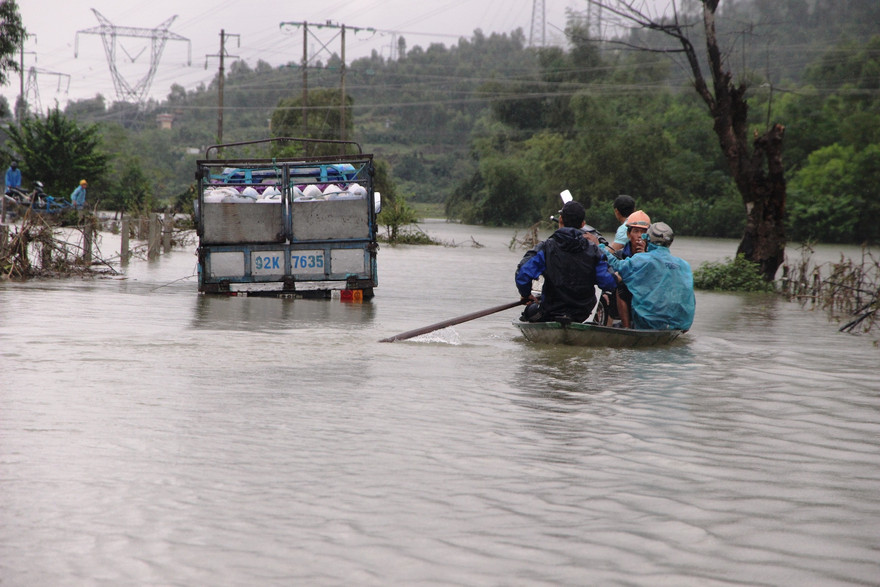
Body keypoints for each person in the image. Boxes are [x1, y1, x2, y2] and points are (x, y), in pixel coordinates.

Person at [516, 200, 617, 323]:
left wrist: (526, 294)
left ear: (560, 220)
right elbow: (608, 282)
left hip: (550, 311)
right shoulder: (595, 251)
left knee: (528, 313)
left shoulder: (546, 248)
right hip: (582, 312)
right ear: (583, 224)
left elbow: (523, 273)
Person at [604, 221, 695, 331]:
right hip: (681, 324)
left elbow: (617, 265)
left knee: (621, 287)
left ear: (647, 239)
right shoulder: (684, 265)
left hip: (648, 323)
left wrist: (600, 249)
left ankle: (626, 328)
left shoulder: (642, 259)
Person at [586, 209, 651, 327]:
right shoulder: (619, 255)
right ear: (628, 234)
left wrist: (643, 257)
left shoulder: (653, 257)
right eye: (636, 231)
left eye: (643, 232)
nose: (640, 236)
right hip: (620, 303)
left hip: (646, 303)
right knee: (618, 287)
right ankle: (623, 328)